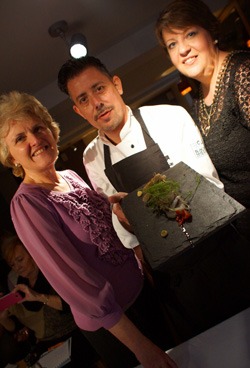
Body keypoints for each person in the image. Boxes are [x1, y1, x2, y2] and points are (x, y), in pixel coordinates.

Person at [57, 55, 250, 342]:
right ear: (78, 110)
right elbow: (126, 234)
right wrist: (126, 221)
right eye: (84, 99)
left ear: (117, 84)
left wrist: (140, 209)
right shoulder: (92, 157)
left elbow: (208, 186)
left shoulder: (169, 117)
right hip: (176, 278)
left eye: (99, 88)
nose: (96, 103)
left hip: (220, 250)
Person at [0, 91, 177, 368]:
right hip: (122, 327)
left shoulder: (69, 176)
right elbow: (77, 284)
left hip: (145, 296)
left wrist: (114, 210)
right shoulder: (26, 204)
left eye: (37, 128)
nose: (34, 140)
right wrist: (140, 345)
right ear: (11, 157)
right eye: (20, 139)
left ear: (51, 130)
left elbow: (97, 236)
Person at [155, 0, 250, 243]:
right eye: (173, 44)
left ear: (212, 32)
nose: (183, 49)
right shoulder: (198, 95)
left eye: (190, 34)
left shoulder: (242, 73)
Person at [0, 235, 100, 368]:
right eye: (13, 264)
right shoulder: (20, 284)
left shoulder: (50, 271)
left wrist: (39, 297)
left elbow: (71, 305)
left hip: (72, 331)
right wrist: (3, 319)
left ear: (31, 253)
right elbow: (18, 327)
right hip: (45, 342)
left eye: (20, 260)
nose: (17, 267)